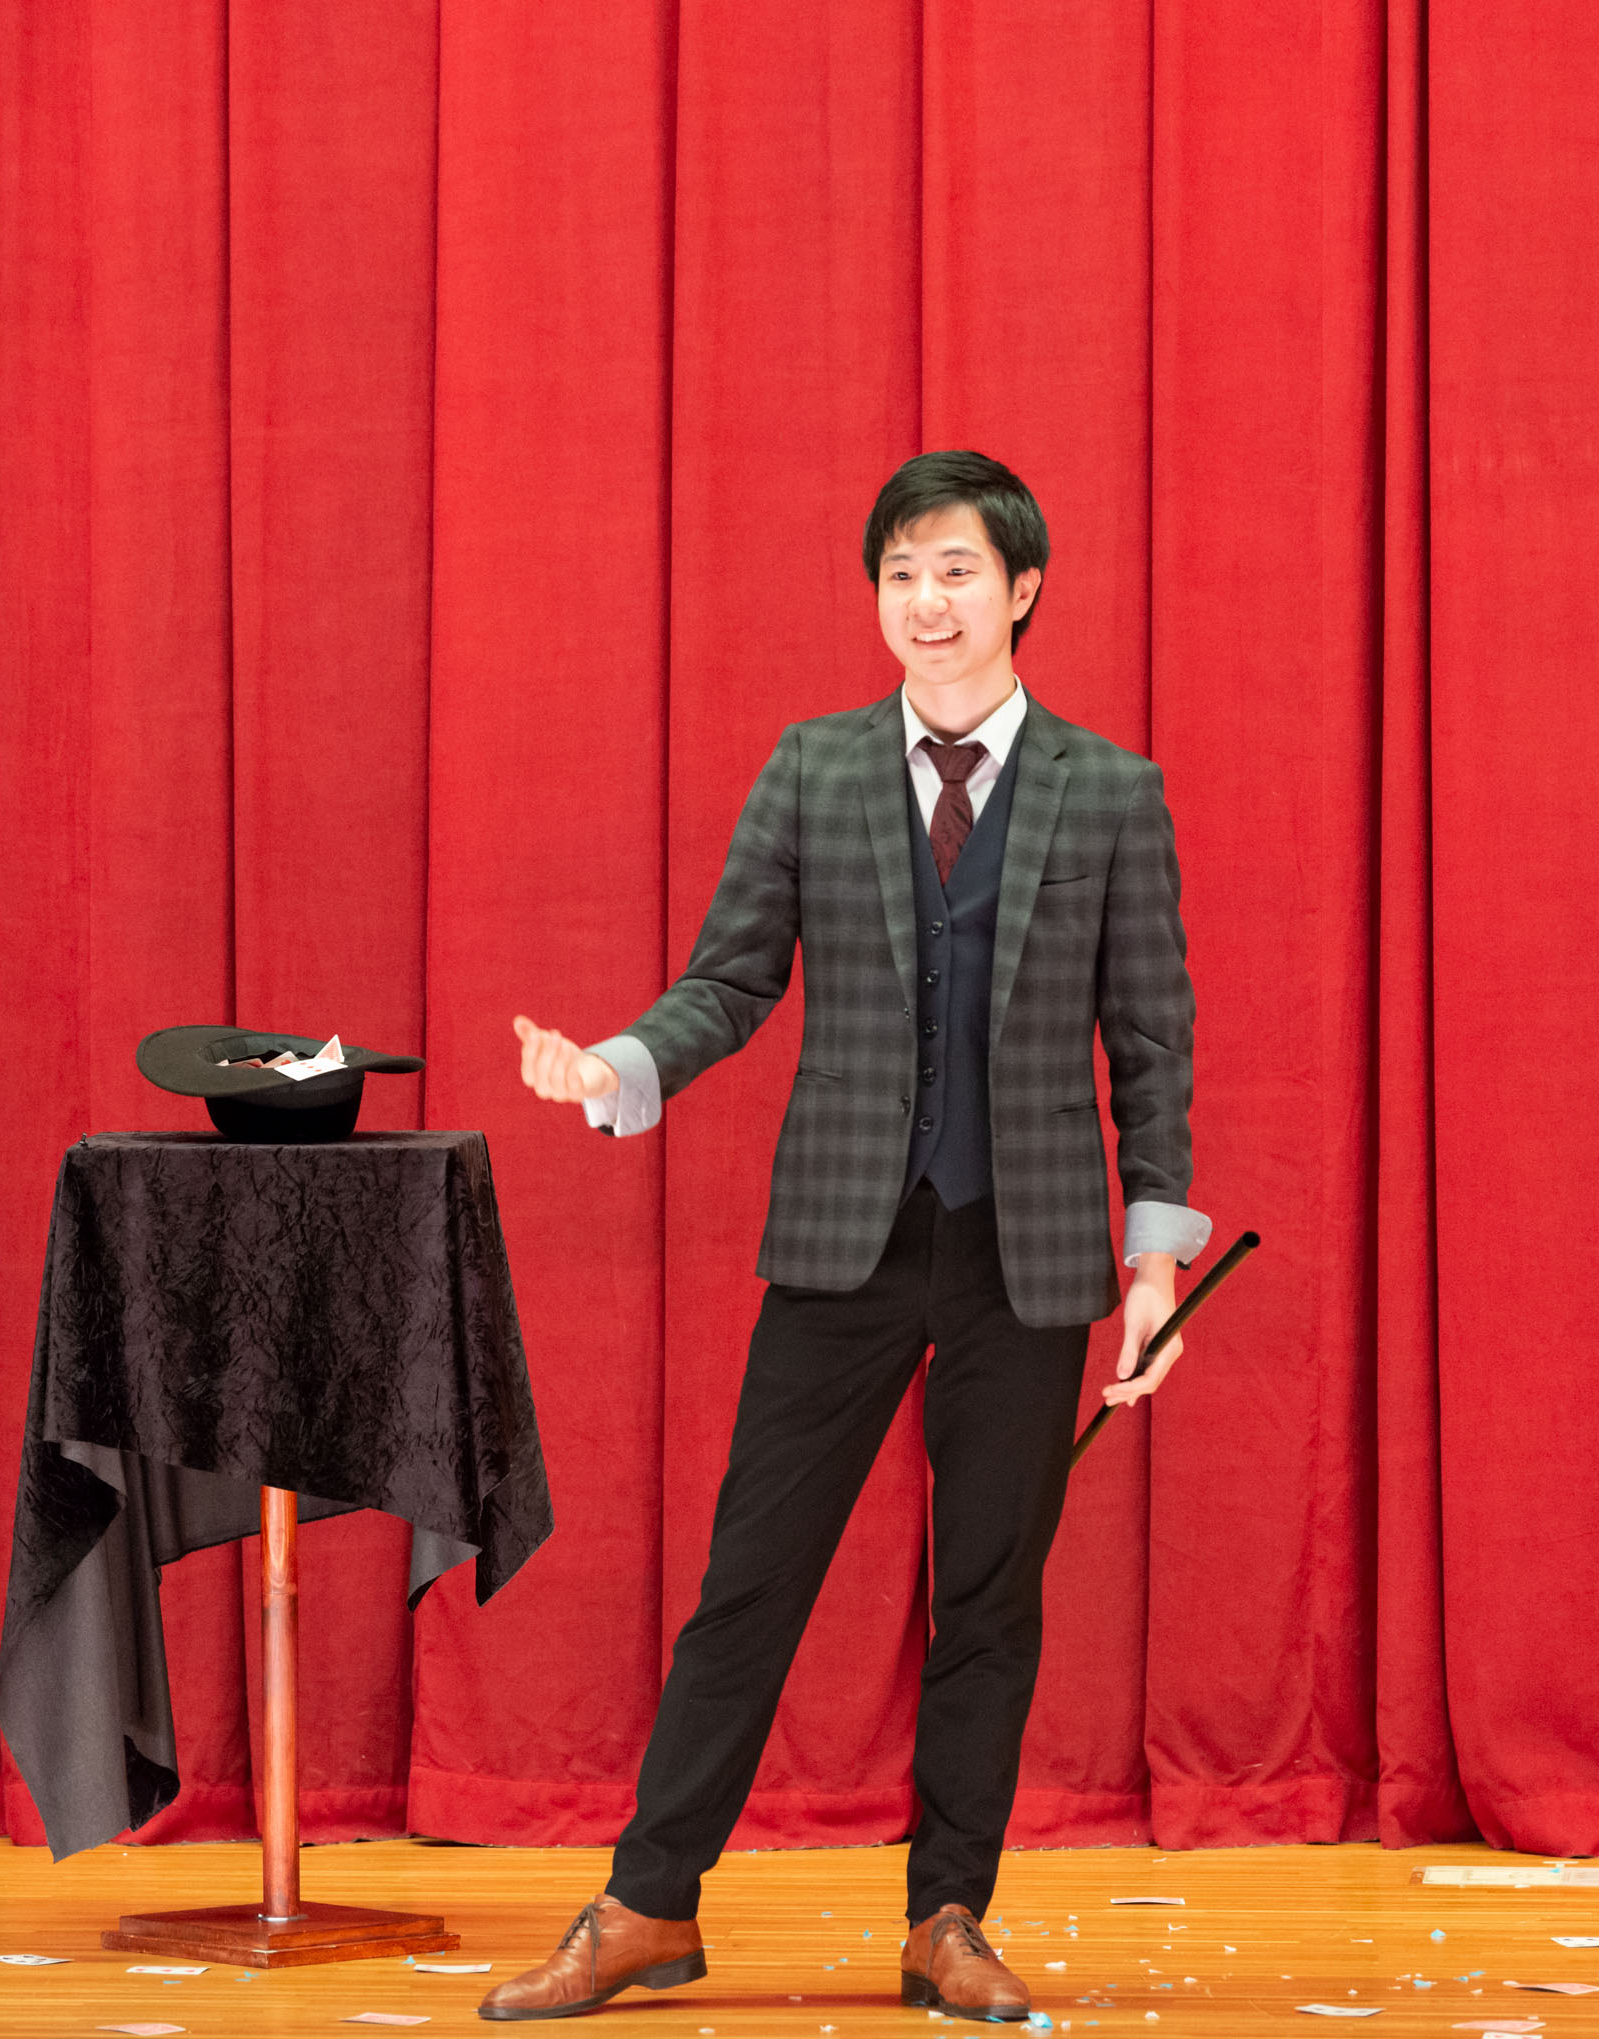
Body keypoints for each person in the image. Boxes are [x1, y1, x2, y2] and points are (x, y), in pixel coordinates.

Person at [485, 450, 1208, 2024]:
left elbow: (1152, 1041)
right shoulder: (813, 768)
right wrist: (619, 1067)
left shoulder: (1110, 791)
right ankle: (647, 1905)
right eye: (900, 574)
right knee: (751, 1578)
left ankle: (948, 1918)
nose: (925, 602)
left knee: (989, 1600)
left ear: (1021, 589)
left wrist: (1155, 1262)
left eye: (956, 572)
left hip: (1031, 1256)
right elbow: (730, 979)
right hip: (841, 1241)